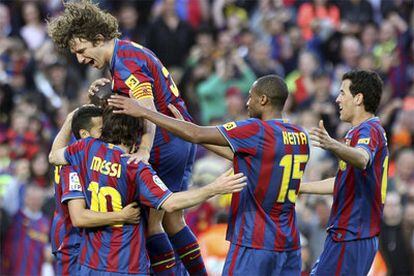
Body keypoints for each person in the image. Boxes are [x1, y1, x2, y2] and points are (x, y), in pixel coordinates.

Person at [47, 2, 203, 274]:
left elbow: (147, 110)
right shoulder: (126, 53)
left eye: (82, 51)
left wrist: (143, 150)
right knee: (170, 219)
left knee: (154, 221)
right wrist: (107, 92)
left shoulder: (126, 62)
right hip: (176, 139)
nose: (80, 60)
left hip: (164, 143)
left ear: (98, 39)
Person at [108, 74, 311, 275]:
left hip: (254, 240)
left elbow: (196, 133)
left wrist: (144, 112)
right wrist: (188, 133)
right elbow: (242, 157)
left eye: (251, 96)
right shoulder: (299, 135)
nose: (247, 103)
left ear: (263, 100)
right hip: (288, 243)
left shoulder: (256, 129)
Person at [48, 107, 246, 275]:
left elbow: (54, 156)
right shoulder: (136, 167)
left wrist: (70, 119)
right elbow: (171, 203)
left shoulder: (85, 148)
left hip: (90, 264)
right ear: (136, 136)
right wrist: (214, 188)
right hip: (126, 265)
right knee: (157, 222)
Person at [299, 70, 389, 275]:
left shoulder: (368, 130)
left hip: (352, 235)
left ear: (358, 98)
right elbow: (341, 182)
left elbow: (362, 158)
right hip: (349, 235)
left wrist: (332, 145)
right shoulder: (359, 132)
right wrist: (299, 187)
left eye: (342, 93)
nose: (338, 99)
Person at [50, 105, 140, 275]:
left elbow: (53, 155)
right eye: (102, 130)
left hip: (84, 243)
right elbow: (78, 217)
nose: (107, 134)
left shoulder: (78, 155)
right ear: (84, 135)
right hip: (72, 243)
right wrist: (121, 216)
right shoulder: (73, 164)